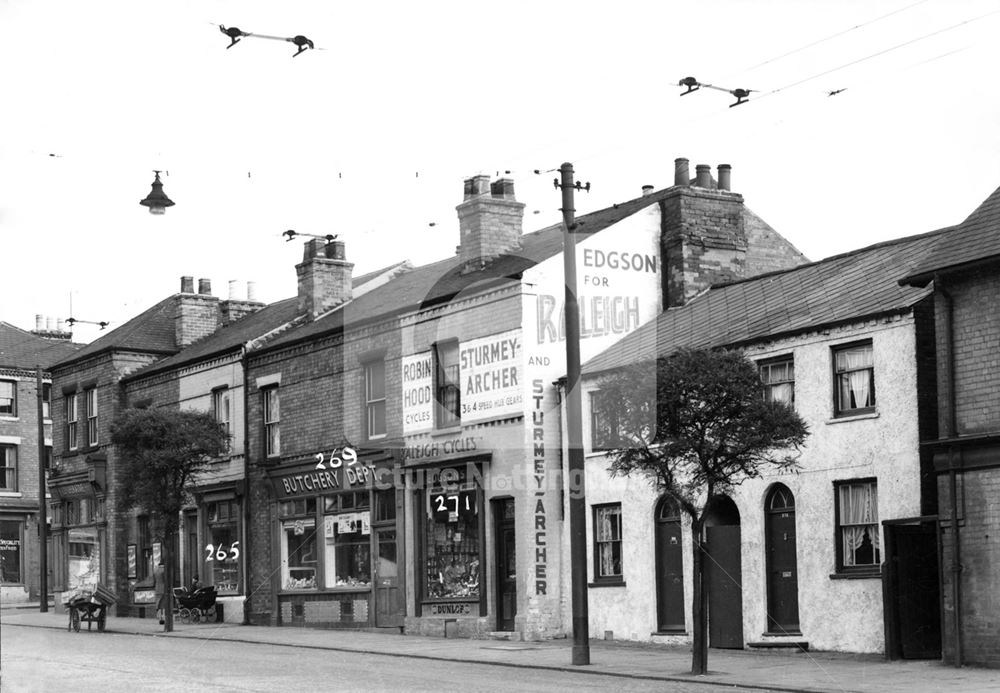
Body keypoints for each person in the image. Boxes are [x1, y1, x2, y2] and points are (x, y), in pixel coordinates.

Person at [153, 560, 166, 625]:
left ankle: (159, 617)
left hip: (157, 588)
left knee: (158, 603)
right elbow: (166, 580)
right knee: (163, 604)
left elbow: (154, 581)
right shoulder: (164, 570)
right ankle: (163, 618)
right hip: (163, 588)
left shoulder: (155, 570)